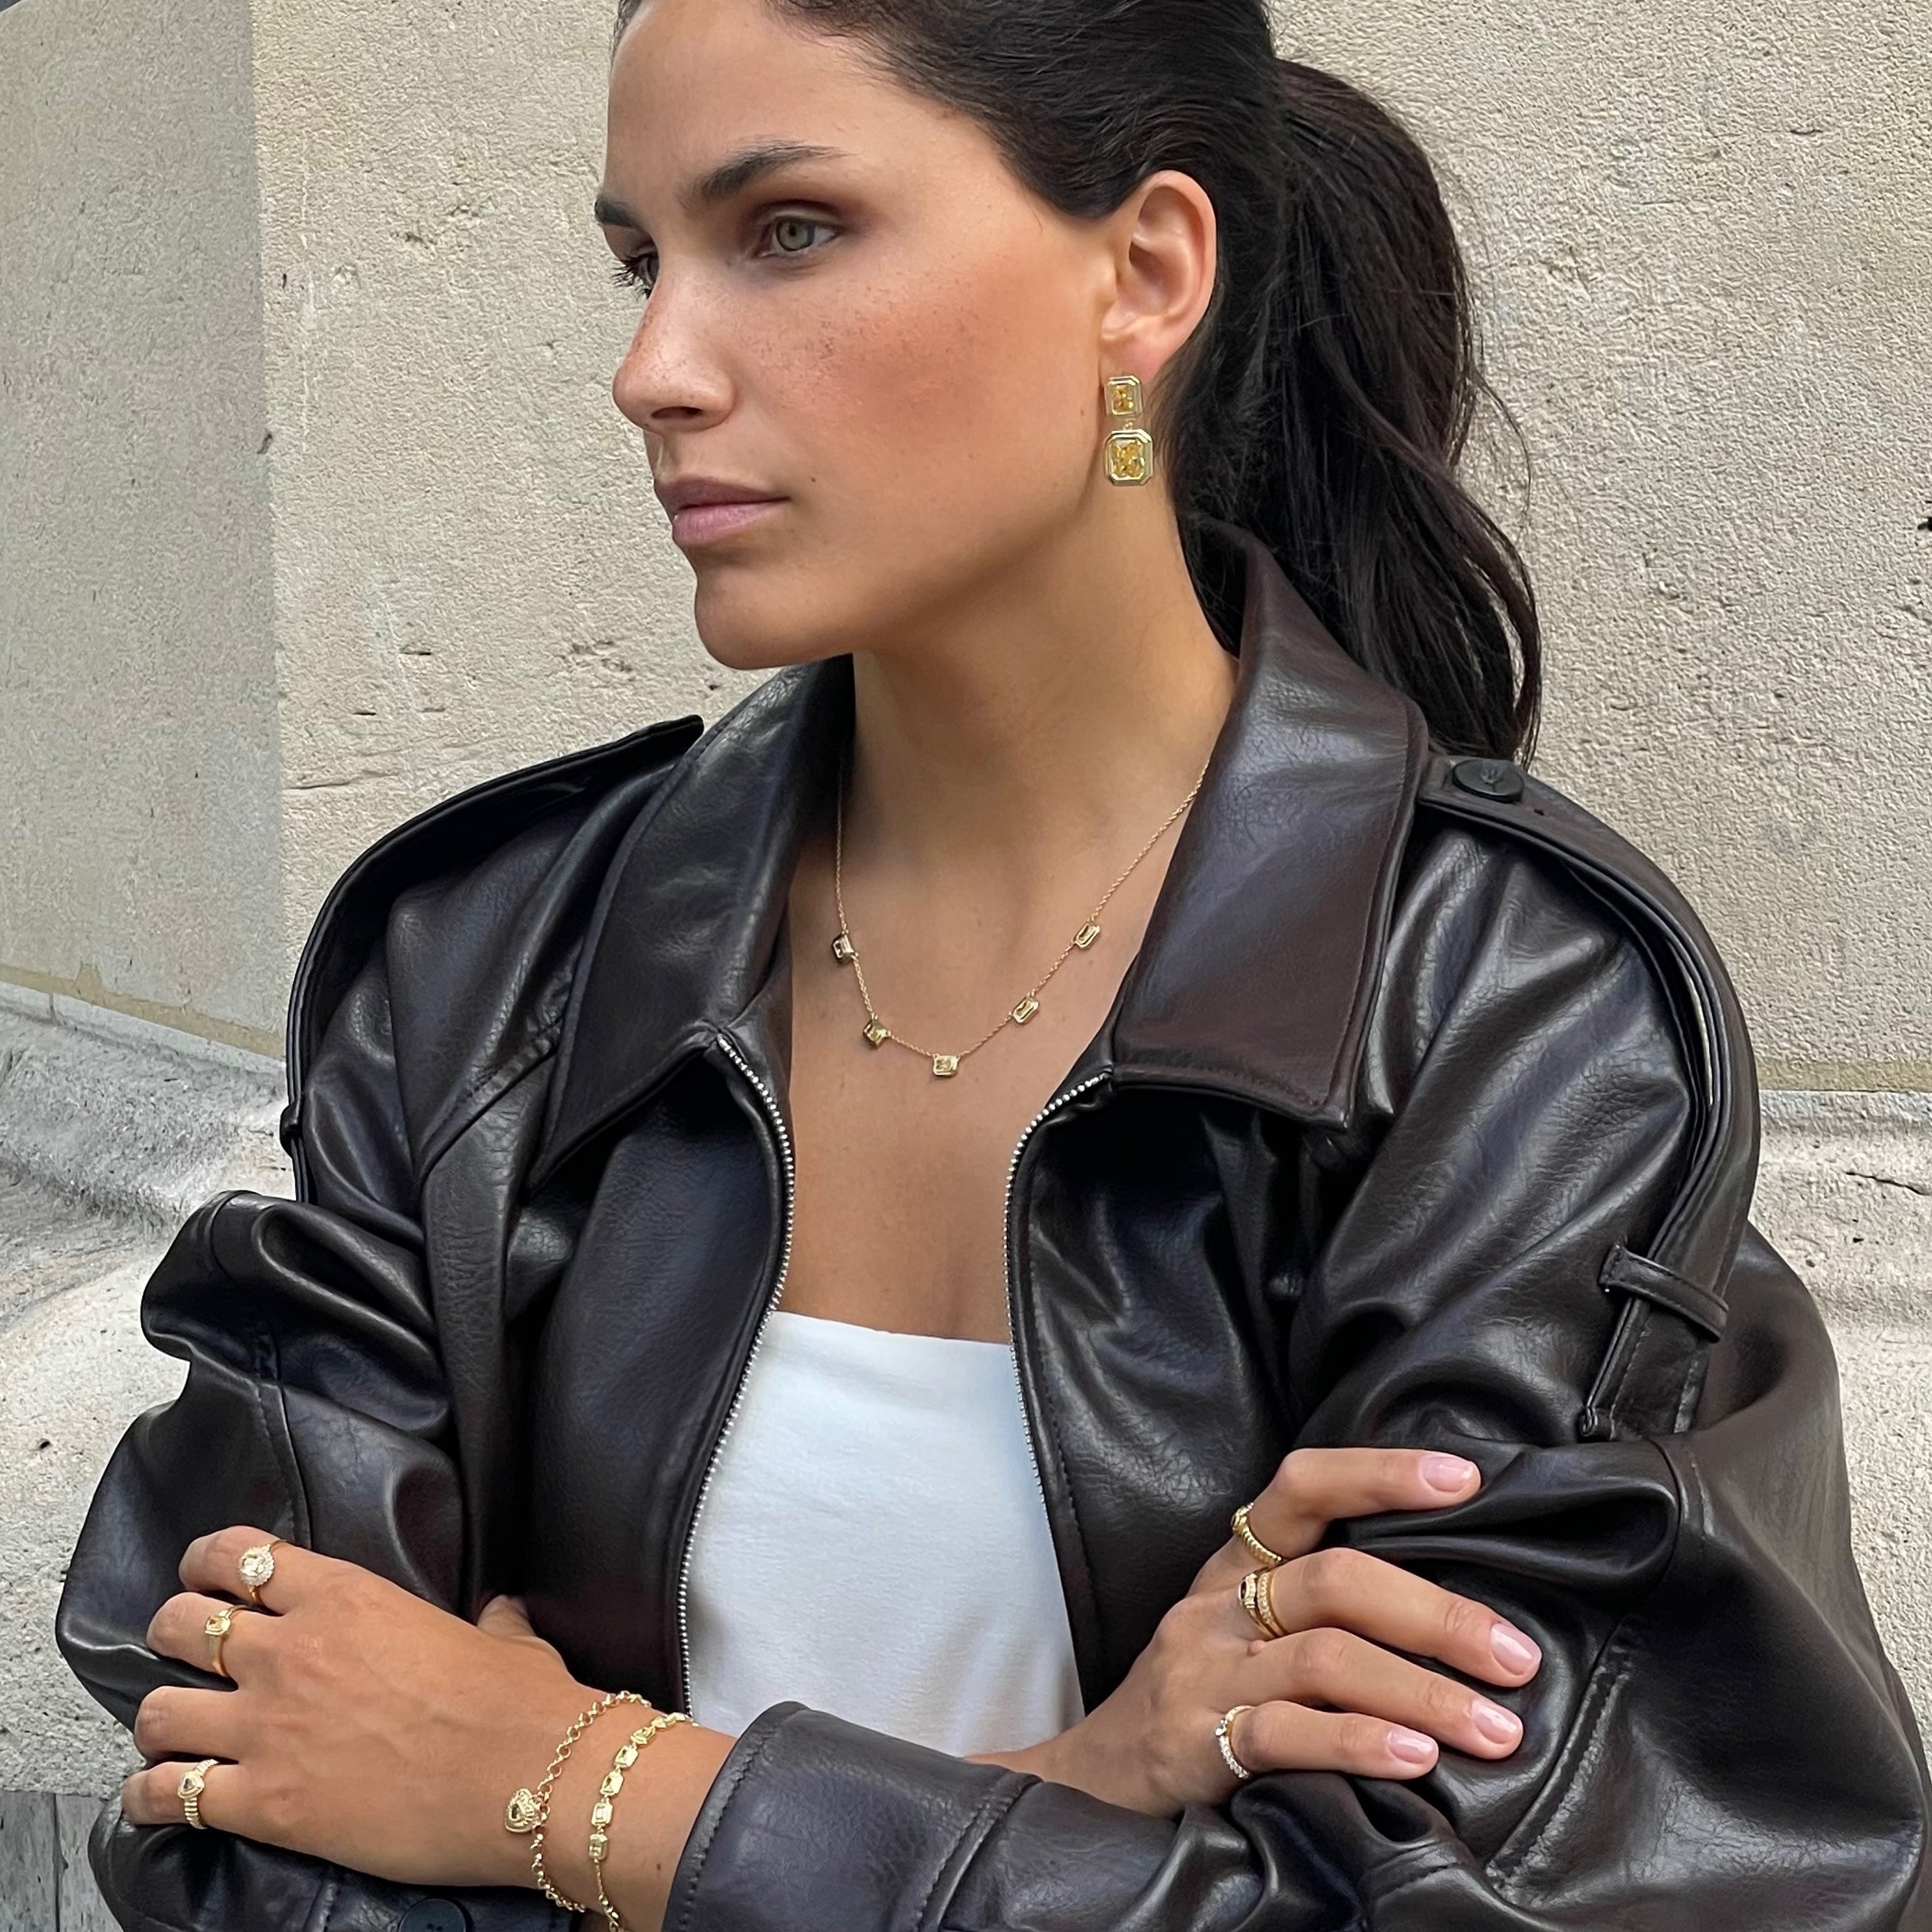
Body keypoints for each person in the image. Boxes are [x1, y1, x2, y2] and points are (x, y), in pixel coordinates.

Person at [54, 0, 1930, 1926]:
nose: (653, 369)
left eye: (789, 231)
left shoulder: (1506, 1015)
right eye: (639, 261)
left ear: (1146, 273)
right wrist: (1075, 1789)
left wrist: (571, 1787)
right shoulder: (481, 970)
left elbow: (1446, 1894)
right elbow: (243, 1798)